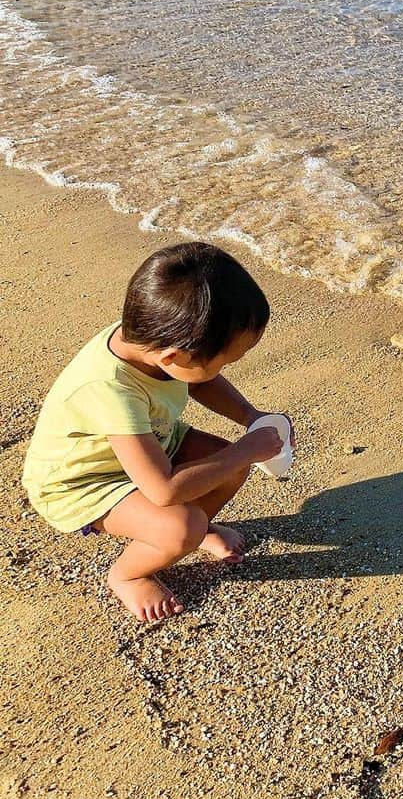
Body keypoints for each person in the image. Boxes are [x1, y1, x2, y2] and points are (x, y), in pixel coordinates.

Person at [21, 242, 293, 622]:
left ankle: (195, 533)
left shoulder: (153, 336)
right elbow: (163, 491)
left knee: (226, 469)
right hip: (86, 480)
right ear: (174, 358)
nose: (231, 365)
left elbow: (198, 381)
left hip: (151, 443)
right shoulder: (111, 389)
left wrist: (250, 416)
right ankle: (129, 574)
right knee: (183, 523)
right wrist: (245, 450)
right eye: (228, 359)